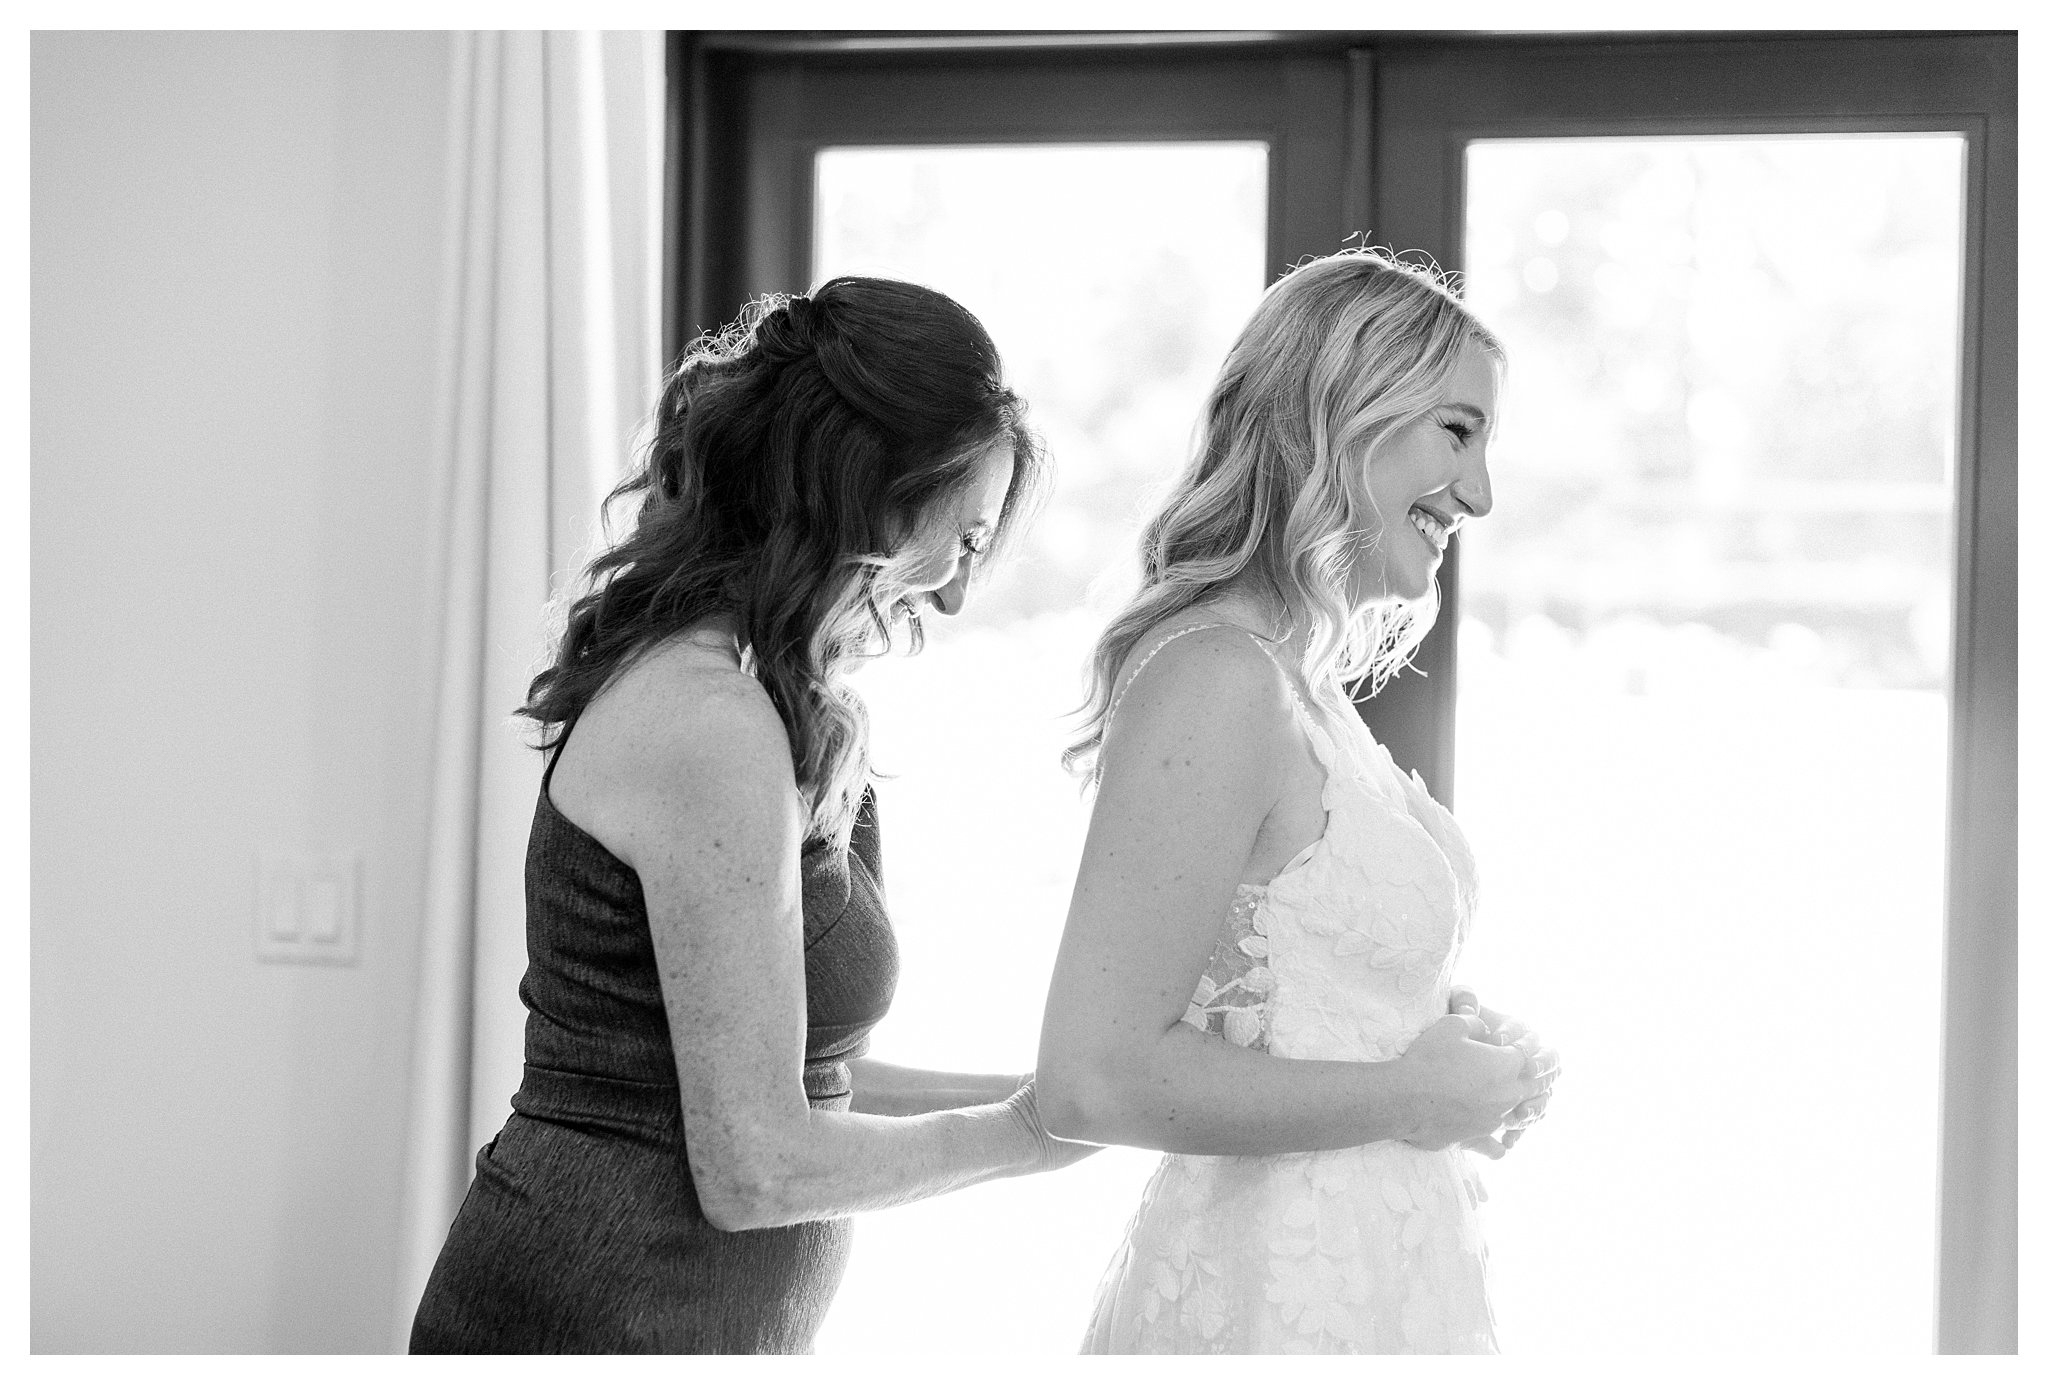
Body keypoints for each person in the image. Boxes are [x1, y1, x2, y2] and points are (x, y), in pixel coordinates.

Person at [409, 277, 1086, 1353]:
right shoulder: (705, 717)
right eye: (960, 540)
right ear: (865, 497)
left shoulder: (773, 706)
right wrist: (1022, 1138)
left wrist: (1056, 1097)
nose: (956, 596)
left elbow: (810, 1081)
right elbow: (758, 1165)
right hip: (605, 1309)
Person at [1036, 249, 1561, 1354]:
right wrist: (1409, 1096)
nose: (1478, 494)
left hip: (1382, 1267)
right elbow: (1092, 1077)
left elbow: (1281, 987)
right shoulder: (1216, 675)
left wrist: (1444, 1045)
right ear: (1340, 412)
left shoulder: (1301, 683)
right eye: (1455, 433)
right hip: (1276, 1296)